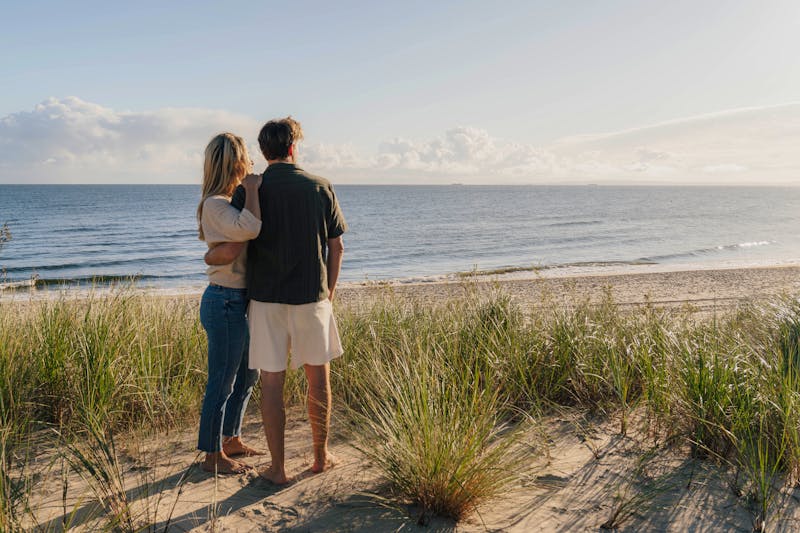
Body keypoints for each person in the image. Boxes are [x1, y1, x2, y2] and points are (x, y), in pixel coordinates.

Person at [205, 117, 347, 484]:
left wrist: (211, 255)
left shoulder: (251, 189)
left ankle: (278, 469)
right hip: (311, 297)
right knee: (318, 380)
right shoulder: (321, 185)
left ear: (264, 151)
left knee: (271, 385)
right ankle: (320, 457)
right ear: (293, 146)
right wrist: (328, 293)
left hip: (265, 301)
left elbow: (240, 236)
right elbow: (336, 246)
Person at [196, 132, 265, 474]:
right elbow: (250, 229)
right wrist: (252, 188)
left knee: (248, 373)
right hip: (223, 301)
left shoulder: (230, 202)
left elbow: (241, 239)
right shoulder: (215, 204)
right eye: (247, 158)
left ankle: (231, 439)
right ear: (235, 163)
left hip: (240, 300)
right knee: (221, 381)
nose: (251, 162)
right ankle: (211, 456)